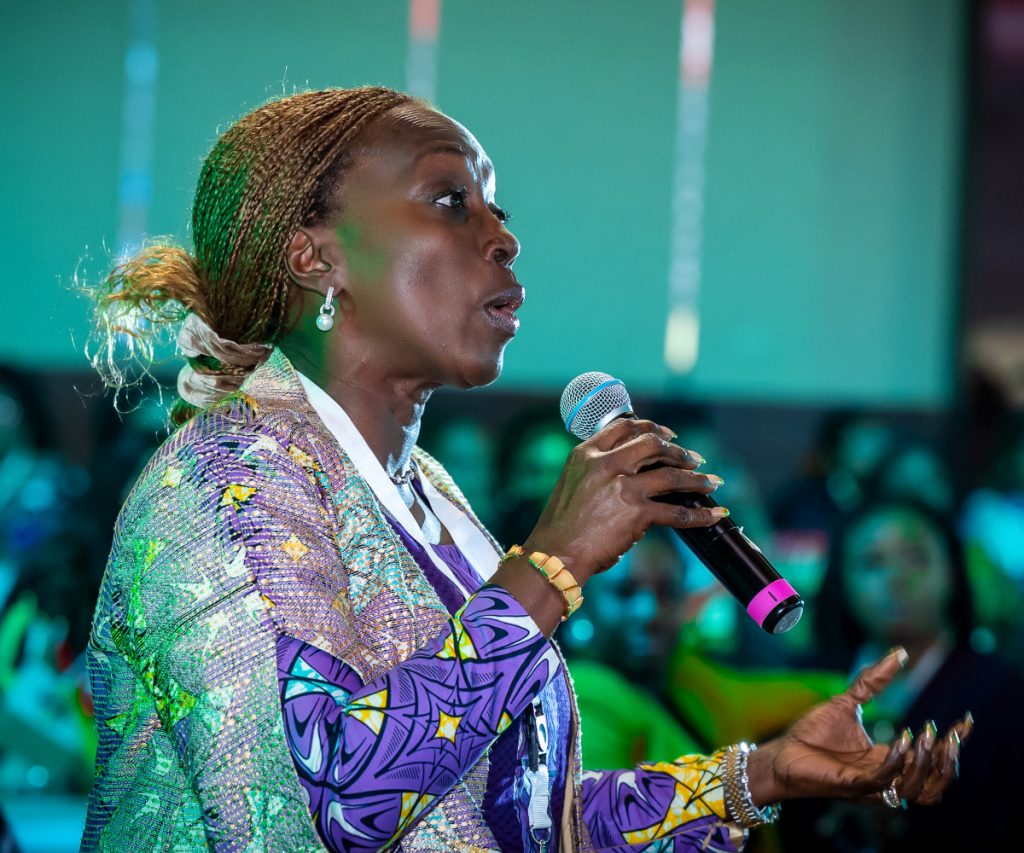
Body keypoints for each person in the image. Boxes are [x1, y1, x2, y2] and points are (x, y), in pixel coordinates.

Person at [80, 87, 967, 852]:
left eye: (497, 208)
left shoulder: (432, 498)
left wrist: (761, 775)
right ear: (316, 257)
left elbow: (519, 821)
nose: (502, 236)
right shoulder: (220, 484)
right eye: (450, 200)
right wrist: (552, 563)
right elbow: (321, 811)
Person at [781, 498, 1022, 849]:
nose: (896, 578)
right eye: (872, 563)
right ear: (841, 580)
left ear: (952, 570)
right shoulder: (806, 685)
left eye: (916, 557)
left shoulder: (1000, 693)